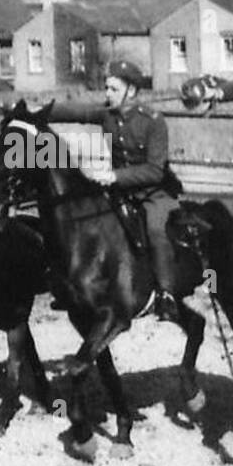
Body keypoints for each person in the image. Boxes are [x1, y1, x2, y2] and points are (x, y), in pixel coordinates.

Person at [52, 59, 180, 319]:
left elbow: (155, 170)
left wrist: (113, 176)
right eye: (106, 88)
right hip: (119, 194)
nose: (107, 94)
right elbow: (75, 113)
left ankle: (166, 296)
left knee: (157, 230)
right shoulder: (107, 115)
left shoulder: (153, 121)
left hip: (153, 194)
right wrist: (36, 111)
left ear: (130, 91)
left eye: (113, 89)